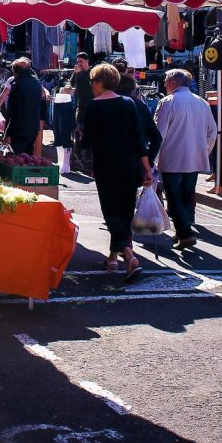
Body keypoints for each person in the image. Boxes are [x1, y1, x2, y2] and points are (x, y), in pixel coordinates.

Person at [80, 62, 152, 281]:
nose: (91, 85)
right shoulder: (129, 103)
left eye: (92, 81)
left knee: (111, 212)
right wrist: (147, 170)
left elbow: (86, 143)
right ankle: (113, 258)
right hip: (129, 165)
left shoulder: (93, 107)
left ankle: (128, 255)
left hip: (106, 165)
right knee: (124, 212)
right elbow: (139, 141)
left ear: (100, 82)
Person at [153, 68, 217, 250]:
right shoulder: (202, 103)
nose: (164, 84)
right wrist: (203, 151)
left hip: (173, 158)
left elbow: (159, 134)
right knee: (187, 195)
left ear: (173, 82)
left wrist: (152, 158)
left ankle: (185, 233)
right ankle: (183, 230)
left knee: (174, 197)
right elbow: (212, 132)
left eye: (166, 80)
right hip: (194, 158)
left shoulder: (168, 102)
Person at [3, 58, 46, 156]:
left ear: (14, 72)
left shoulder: (16, 86)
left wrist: (7, 133)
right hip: (34, 128)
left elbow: (14, 113)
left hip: (19, 130)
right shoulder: (37, 83)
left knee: (17, 159)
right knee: (27, 158)